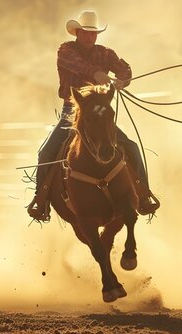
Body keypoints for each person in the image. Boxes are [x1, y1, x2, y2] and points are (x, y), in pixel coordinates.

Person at [27, 10, 160, 222]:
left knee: (132, 147)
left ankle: (143, 196)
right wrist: (98, 74)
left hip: (98, 115)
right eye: (86, 33)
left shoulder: (105, 53)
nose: (90, 37)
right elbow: (79, 66)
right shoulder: (66, 51)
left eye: (93, 33)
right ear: (77, 33)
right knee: (46, 154)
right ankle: (40, 200)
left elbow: (124, 69)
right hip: (72, 112)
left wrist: (122, 80)